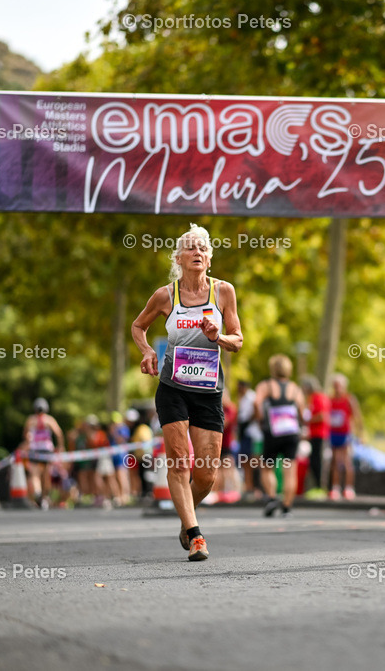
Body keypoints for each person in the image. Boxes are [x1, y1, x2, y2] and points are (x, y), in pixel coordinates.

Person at [132, 223, 243, 561]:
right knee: (180, 463)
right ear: (178, 258)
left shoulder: (224, 292)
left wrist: (217, 337)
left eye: (202, 248)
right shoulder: (166, 295)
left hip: (209, 390)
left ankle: (185, 518)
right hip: (173, 388)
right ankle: (195, 535)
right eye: (190, 248)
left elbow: (237, 340)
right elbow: (138, 326)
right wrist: (147, 351)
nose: (197, 252)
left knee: (207, 474)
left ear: (209, 258)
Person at [255, 354, 305, 517]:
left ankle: (271, 497)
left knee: (267, 466)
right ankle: (287, 505)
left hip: (273, 432)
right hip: (291, 432)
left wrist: (260, 418)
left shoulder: (266, 385)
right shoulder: (295, 388)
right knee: (290, 469)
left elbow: (257, 402)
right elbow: (302, 411)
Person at [21, 397, 65, 509]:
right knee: (46, 474)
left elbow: (25, 435)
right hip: (46, 450)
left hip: (35, 449)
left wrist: (28, 441)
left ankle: (38, 494)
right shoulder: (49, 420)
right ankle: (45, 497)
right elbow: (59, 433)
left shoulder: (30, 420)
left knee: (35, 474)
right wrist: (60, 446)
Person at [328, 373, 361, 500]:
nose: (337, 389)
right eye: (335, 386)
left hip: (345, 434)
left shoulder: (349, 399)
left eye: (339, 386)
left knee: (346, 460)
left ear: (344, 386)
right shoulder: (330, 400)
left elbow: (357, 417)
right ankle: (335, 487)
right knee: (335, 460)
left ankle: (348, 488)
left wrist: (360, 434)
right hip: (333, 433)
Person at [301, 375, 330, 499]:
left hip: (320, 434)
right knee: (314, 460)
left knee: (317, 461)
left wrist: (307, 421)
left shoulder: (318, 398)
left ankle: (320, 487)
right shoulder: (313, 398)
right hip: (314, 434)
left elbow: (322, 416)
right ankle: (317, 487)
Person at [235, 380, 262, 500]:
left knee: (252, 460)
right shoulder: (243, 398)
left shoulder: (251, 396)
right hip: (246, 433)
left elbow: (257, 409)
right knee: (245, 460)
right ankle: (249, 486)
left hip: (252, 433)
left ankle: (256, 487)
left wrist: (249, 421)